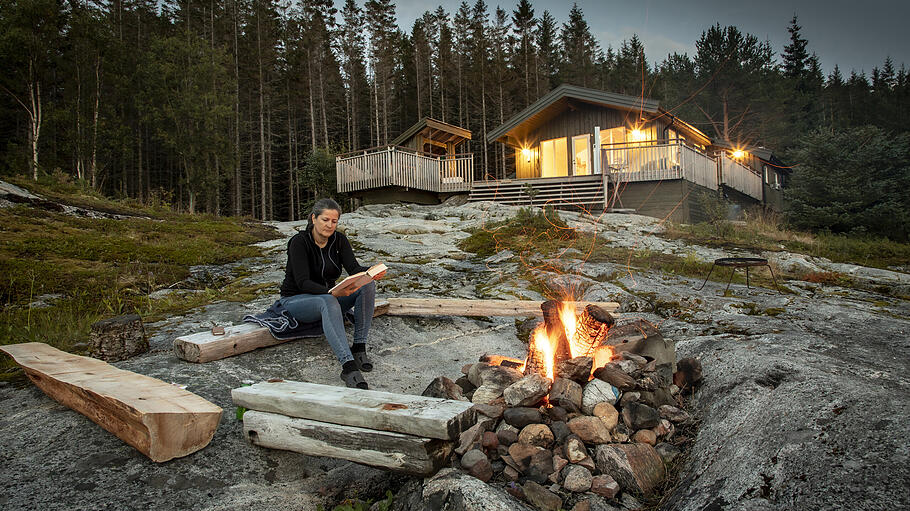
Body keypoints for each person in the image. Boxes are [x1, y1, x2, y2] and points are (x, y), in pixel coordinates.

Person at [278, 198, 385, 389]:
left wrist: (372, 271)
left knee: (367, 286)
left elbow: (353, 268)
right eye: (325, 220)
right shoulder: (298, 243)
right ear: (314, 218)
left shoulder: (339, 240)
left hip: (330, 297)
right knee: (328, 301)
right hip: (297, 301)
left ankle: (359, 347)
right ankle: (348, 365)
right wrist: (331, 292)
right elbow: (303, 282)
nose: (329, 225)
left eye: (334, 221)